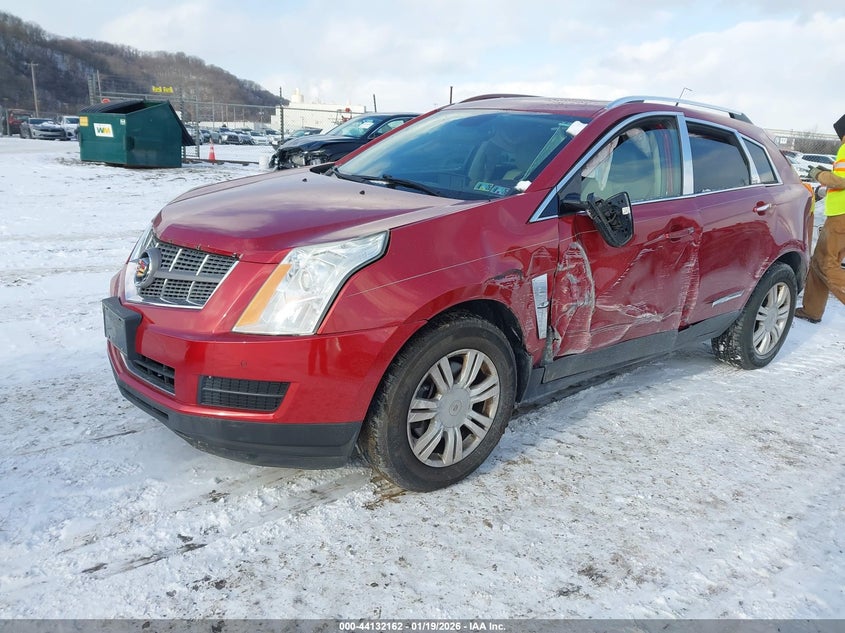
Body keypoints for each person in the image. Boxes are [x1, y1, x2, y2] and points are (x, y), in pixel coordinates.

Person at [794, 114, 845, 324]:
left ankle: (812, 310)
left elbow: (841, 180)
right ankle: (812, 310)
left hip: (841, 215)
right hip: (840, 214)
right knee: (819, 262)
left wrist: (818, 174)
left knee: (826, 263)